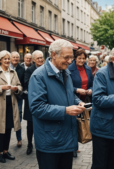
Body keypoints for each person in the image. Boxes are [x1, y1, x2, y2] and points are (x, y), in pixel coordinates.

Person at [28, 39, 86, 169]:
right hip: (49, 141)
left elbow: (69, 94)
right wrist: (65, 110)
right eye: (67, 57)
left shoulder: (66, 72)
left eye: (71, 57)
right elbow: (37, 108)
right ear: (54, 54)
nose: (70, 61)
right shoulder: (39, 76)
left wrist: (79, 102)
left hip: (66, 138)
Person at [23, 50, 45, 155]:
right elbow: (26, 83)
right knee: (30, 124)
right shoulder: (29, 70)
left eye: (41, 57)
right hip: (31, 100)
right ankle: (29, 144)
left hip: (44, 100)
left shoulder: (46, 69)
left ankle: (41, 143)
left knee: (42, 123)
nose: (40, 60)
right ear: (33, 60)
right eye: (38, 58)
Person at [9, 51, 25, 148]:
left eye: (17, 57)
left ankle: (19, 139)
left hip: (18, 96)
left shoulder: (21, 69)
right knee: (8, 117)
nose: (15, 59)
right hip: (7, 96)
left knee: (18, 117)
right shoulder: (6, 67)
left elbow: (22, 84)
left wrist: (18, 89)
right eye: (13, 57)